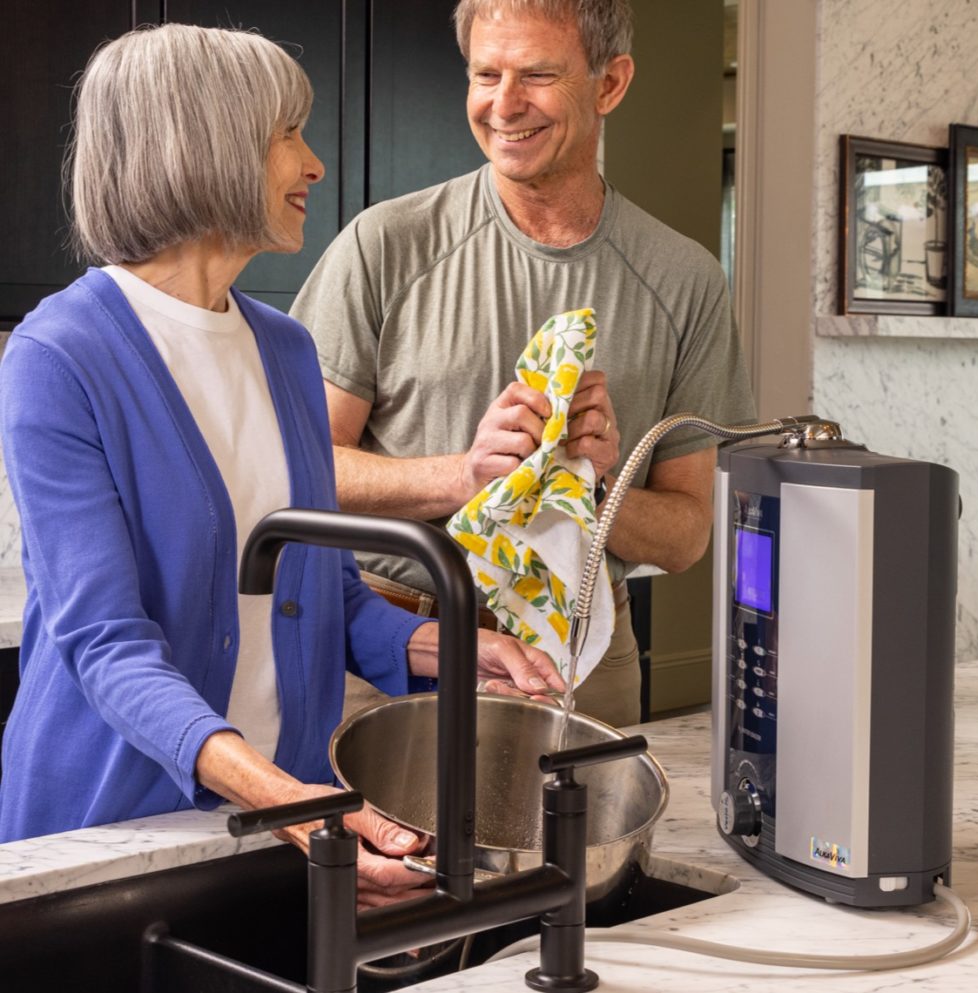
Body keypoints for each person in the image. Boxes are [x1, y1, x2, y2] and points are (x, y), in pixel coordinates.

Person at [0, 23, 563, 908]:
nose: (314, 165)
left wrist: (451, 646)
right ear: (207, 147)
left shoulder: (288, 348)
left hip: (272, 818)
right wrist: (285, 800)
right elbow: (105, 642)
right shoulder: (60, 356)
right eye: (287, 135)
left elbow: (324, 595)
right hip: (107, 834)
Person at [291, 0, 756, 727]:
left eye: (537, 75)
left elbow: (690, 532)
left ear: (610, 84)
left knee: (584, 847)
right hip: (394, 650)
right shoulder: (384, 246)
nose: (504, 106)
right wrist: (465, 474)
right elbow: (297, 468)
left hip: (580, 660)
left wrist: (592, 488)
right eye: (486, 74)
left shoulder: (684, 281)